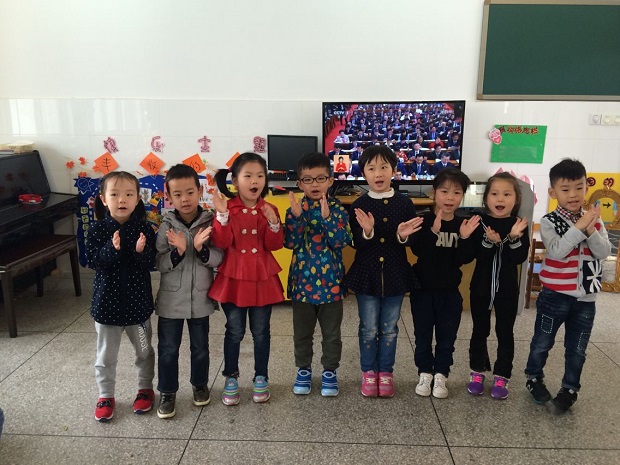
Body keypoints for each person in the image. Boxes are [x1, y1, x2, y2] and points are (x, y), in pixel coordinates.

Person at [524, 159, 611, 413]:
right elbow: (556, 251)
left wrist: (591, 230)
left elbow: (604, 252)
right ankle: (534, 377)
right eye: (565, 189)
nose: (573, 194)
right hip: (554, 296)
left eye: (579, 187)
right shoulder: (550, 221)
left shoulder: (594, 219)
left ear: (586, 188)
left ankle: (570, 388)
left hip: (586, 300)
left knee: (577, 348)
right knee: (542, 341)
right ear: (553, 192)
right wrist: (579, 228)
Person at [344, 146, 423, 397]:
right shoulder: (359, 204)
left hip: (395, 275)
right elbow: (356, 242)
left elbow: (412, 239)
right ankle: (369, 371)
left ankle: (386, 372)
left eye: (383, 167)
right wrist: (367, 231)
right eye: (371, 168)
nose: (378, 173)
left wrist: (402, 236)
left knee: (389, 328)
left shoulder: (404, 202)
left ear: (393, 170)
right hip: (366, 275)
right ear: (363, 174)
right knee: (368, 328)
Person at [210, 152, 285, 406]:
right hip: (234, 278)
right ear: (234, 180)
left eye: (260, 176)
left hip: (262, 278)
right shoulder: (227, 208)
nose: (255, 181)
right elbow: (221, 243)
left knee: (261, 332)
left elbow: (274, 245)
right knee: (234, 331)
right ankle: (231, 377)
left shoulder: (269, 208)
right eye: (248, 176)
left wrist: (274, 223)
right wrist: (222, 217)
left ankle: (261, 376)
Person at [154, 164, 224, 419]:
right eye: (177, 194)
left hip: (201, 298)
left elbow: (219, 257)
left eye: (190, 192)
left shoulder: (210, 222)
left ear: (200, 191)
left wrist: (201, 250)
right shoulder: (167, 226)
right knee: (168, 349)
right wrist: (179, 252)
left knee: (201, 347)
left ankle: (200, 385)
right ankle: (167, 392)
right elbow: (159, 262)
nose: (184, 199)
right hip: (171, 301)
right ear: (169, 197)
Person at [86, 171, 156, 422]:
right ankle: (105, 395)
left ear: (138, 198)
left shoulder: (144, 229)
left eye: (128, 194)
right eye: (114, 194)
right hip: (107, 307)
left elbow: (151, 263)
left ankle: (145, 389)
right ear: (104, 199)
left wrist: (140, 252)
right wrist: (111, 248)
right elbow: (93, 261)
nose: (122, 199)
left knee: (144, 351)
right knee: (106, 356)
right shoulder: (97, 229)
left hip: (138, 309)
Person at [284, 152, 352, 396]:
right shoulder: (295, 209)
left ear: (330, 181)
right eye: (308, 179)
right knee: (302, 334)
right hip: (302, 284)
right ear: (300, 183)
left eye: (320, 178)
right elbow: (290, 243)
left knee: (331, 334)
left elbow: (341, 242)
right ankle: (303, 369)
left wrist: (327, 218)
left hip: (331, 284)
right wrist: (296, 218)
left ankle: (329, 371)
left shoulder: (338, 209)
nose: (315, 184)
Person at [409, 169, 480, 399]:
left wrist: (465, 237)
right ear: (434, 193)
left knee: (447, 337)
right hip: (422, 291)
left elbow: (464, 258)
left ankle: (441, 375)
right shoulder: (423, 220)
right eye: (445, 191)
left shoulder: (463, 224)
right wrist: (432, 231)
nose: (450, 197)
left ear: (463, 196)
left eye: (457, 192)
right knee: (422, 336)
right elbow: (418, 251)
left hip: (450, 293)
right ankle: (424, 373)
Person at [466, 172, 530, 400]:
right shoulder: (480, 222)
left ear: (516, 198)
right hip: (481, 288)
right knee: (479, 330)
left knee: (505, 332)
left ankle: (502, 375)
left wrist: (512, 238)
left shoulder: (519, 224)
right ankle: (477, 371)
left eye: (506, 194)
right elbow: (478, 256)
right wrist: (488, 241)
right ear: (486, 198)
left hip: (507, 291)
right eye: (494, 194)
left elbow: (519, 258)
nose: (500, 199)